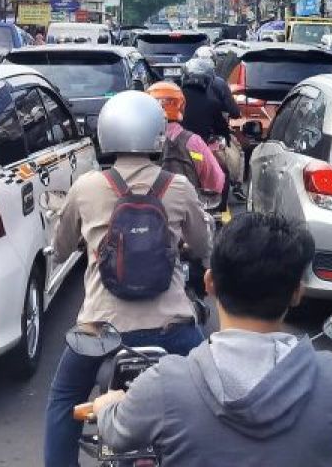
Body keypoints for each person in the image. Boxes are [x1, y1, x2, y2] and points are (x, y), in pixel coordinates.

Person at [92, 213, 332, 466]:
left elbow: (117, 434)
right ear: (297, 293)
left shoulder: (163, 384)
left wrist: (105, 406)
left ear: (210, 283)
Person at [43, 91, 213, 467]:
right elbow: (203, 244)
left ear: (107, 133)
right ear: (157, 134)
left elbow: (61, 246)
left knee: (63, 398)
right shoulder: (178, 188)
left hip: (100, 330)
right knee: (210, 393)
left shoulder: (86, 187)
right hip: (173, 328)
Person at [147, 81, 225, 200]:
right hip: (186, 210)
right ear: (181, 106)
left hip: (145, 211)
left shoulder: (139, 140)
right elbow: (216, 181)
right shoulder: (193, 142)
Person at [181, 57, 230, 142]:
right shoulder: (212, 101)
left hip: (176, 148)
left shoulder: (176, 97)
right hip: (199, 149)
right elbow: (222, 129)